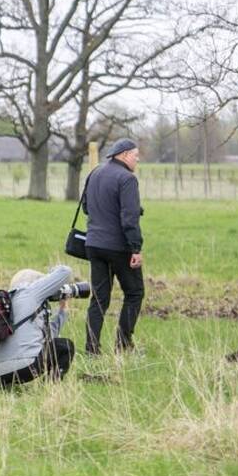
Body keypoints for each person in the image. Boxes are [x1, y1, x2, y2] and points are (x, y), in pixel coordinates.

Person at [83, 138, 144, 356]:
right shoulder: (127, 179)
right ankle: (124, 344)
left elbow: (86, 208)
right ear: (125, 154)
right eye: (136, 155)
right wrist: (135, 248)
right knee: (135, 293)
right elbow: (129, 219)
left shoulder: (95, 173)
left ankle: (91, 348)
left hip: (93, 244)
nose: (137, 160)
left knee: (99, 298)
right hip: (118, 247)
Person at [0, 266, 75, 389]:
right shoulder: (31, 292)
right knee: (65, 346)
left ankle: (4, 385)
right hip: (26, 369)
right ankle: (51, 386)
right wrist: (51, 275)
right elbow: (66, 271)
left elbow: (48, 338)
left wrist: (62, 310)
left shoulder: (5, 302)